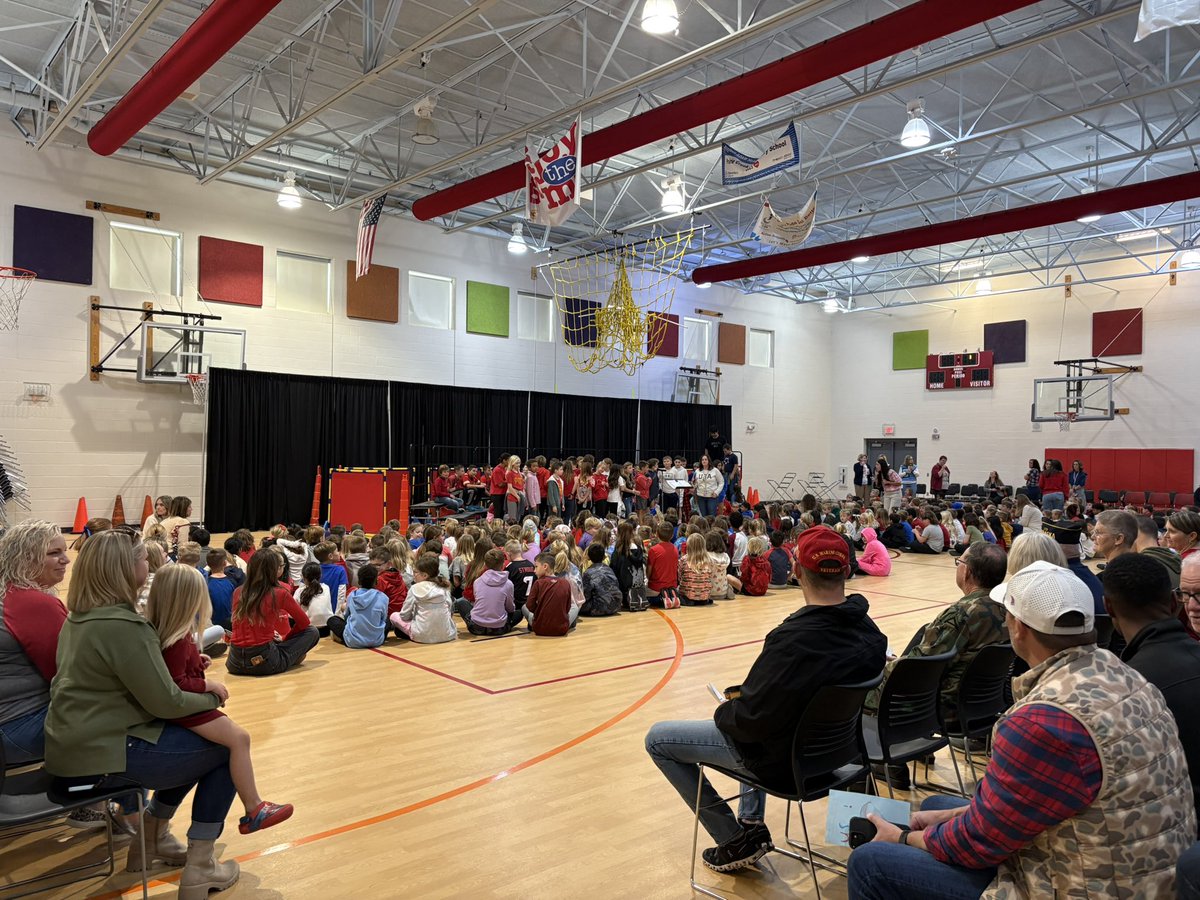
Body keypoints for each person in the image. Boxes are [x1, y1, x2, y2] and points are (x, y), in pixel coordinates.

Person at [848, 559, 1197, 899]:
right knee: (939, 804)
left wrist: (904, 838)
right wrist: (946, 818)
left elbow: (978, 845)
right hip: (1142, 873)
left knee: (871, 862)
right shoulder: (1125, 675)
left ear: (1018, 627)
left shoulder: (1042, 722)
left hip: (1089, 884)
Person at [645, 527, 887, 873]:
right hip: (837, 754)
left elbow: (750, 721)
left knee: (658, 739)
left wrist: (727, 708)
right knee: (757, 712)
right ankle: (751, 823)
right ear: (848, 570)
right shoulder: (872, 636)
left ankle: (733, 839)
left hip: (785, 763)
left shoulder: (791, 642)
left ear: (797, 571)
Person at [43, 530, 242, 891]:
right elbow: (166, 701)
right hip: (101, 755)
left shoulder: (82, 617)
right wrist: (213, 697)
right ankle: (200, 866)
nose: (147, 564)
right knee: (225, 750)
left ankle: (150, 841)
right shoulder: (123, 626)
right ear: (122, 569)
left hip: (76, 747)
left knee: (190, 743)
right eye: (141, 559)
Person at [145, 564, 293, 835]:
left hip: (184, 705)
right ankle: (254, 807)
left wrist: (195, 661)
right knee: (239, 739)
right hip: (188, 709)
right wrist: (207, 684)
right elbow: (176, 682)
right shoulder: (178, 636)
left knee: (236, 740)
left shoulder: (168, 631)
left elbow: (174, 670)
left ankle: (253, 807)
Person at [864, 542, 1008, 787]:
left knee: (864, 689)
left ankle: (890, 762)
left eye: (959, 562)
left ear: (967, 572)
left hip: (942, 708)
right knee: (922, 635)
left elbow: (918, 669)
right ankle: (917, 750)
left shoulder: (961, 614)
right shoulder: (1008, 609)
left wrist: (887, 668)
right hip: (983, 704)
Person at [1103, 553, 1200, 818]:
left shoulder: (1122, 687)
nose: (1192, 606)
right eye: (1186, 595)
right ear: (1173, 602)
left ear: (1108, 607)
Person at [0, 520, 69, 765]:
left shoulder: (8, 593)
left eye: (64, 551)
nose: (66, 560)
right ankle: (101, 802)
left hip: (9, 724)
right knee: (125, 724)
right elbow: (67, 674)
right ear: (25, 558)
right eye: (54, 553)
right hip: (17, 726)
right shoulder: (33, 604)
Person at [226, 550, 320, 677]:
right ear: (275, 570)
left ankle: (285, 655)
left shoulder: (238, 592)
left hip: (234, 661)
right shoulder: (280, 592)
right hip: (264, 662)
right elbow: (304, 623)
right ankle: (287, 657)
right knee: (312, 631)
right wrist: (286, 640)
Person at [457, 548, 522, 635]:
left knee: (461, 602)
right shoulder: (508, 584)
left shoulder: (478, 581)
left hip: (476, 627)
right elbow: (510, 608)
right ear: (503, 564)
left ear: (485, 565)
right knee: (521, 612)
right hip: (499, 628)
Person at [394, 553, 456, 643]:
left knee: (394, 616)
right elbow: (449, 610)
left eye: (415, 572)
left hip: (421, 636)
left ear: (425, 575)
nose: (413, 574)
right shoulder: (444, 587)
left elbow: (404, 615)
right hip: (447, 635)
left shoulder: (414, 588)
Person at [327, 564, 387, 648]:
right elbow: (383, 619)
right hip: (377, 641)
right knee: (388, 620)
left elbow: (346, 616)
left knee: (332, 620)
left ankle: (343, 637)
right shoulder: (383, 597)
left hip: (353, 641)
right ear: (376, 581)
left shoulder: (352, 596)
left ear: (359, 581)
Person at [524, 551, 579, 635]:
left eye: (536, 567)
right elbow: (567, 608)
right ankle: (569, 623)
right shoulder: (565, 583)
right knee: (575, 606)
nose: (534, 571)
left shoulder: (538, 583)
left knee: (523, 606)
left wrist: (538, 612)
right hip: (561, 629)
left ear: (545, 566)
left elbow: (529, 605)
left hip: (539, 628)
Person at [580, 543, 622, 616]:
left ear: (589, 557)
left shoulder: (588, 573)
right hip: (616, 606)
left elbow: (585, 595)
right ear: (603, 557)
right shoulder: (609, 569)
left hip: (599, 609)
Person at [294, 562, 333, 636]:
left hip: (309, 631)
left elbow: (292, 613)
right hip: (326, 629)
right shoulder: (326, 588)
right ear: (320, 576)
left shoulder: (299, 591)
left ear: (304, 577)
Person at [646, 523, 680, 607]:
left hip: (656, 588)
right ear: (672, 536)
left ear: (657, 534)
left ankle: (662, 598)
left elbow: (648, 574)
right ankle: (669, 595)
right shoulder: (675, 549)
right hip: (672, 586)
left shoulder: (653, 550)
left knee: (641, 591)